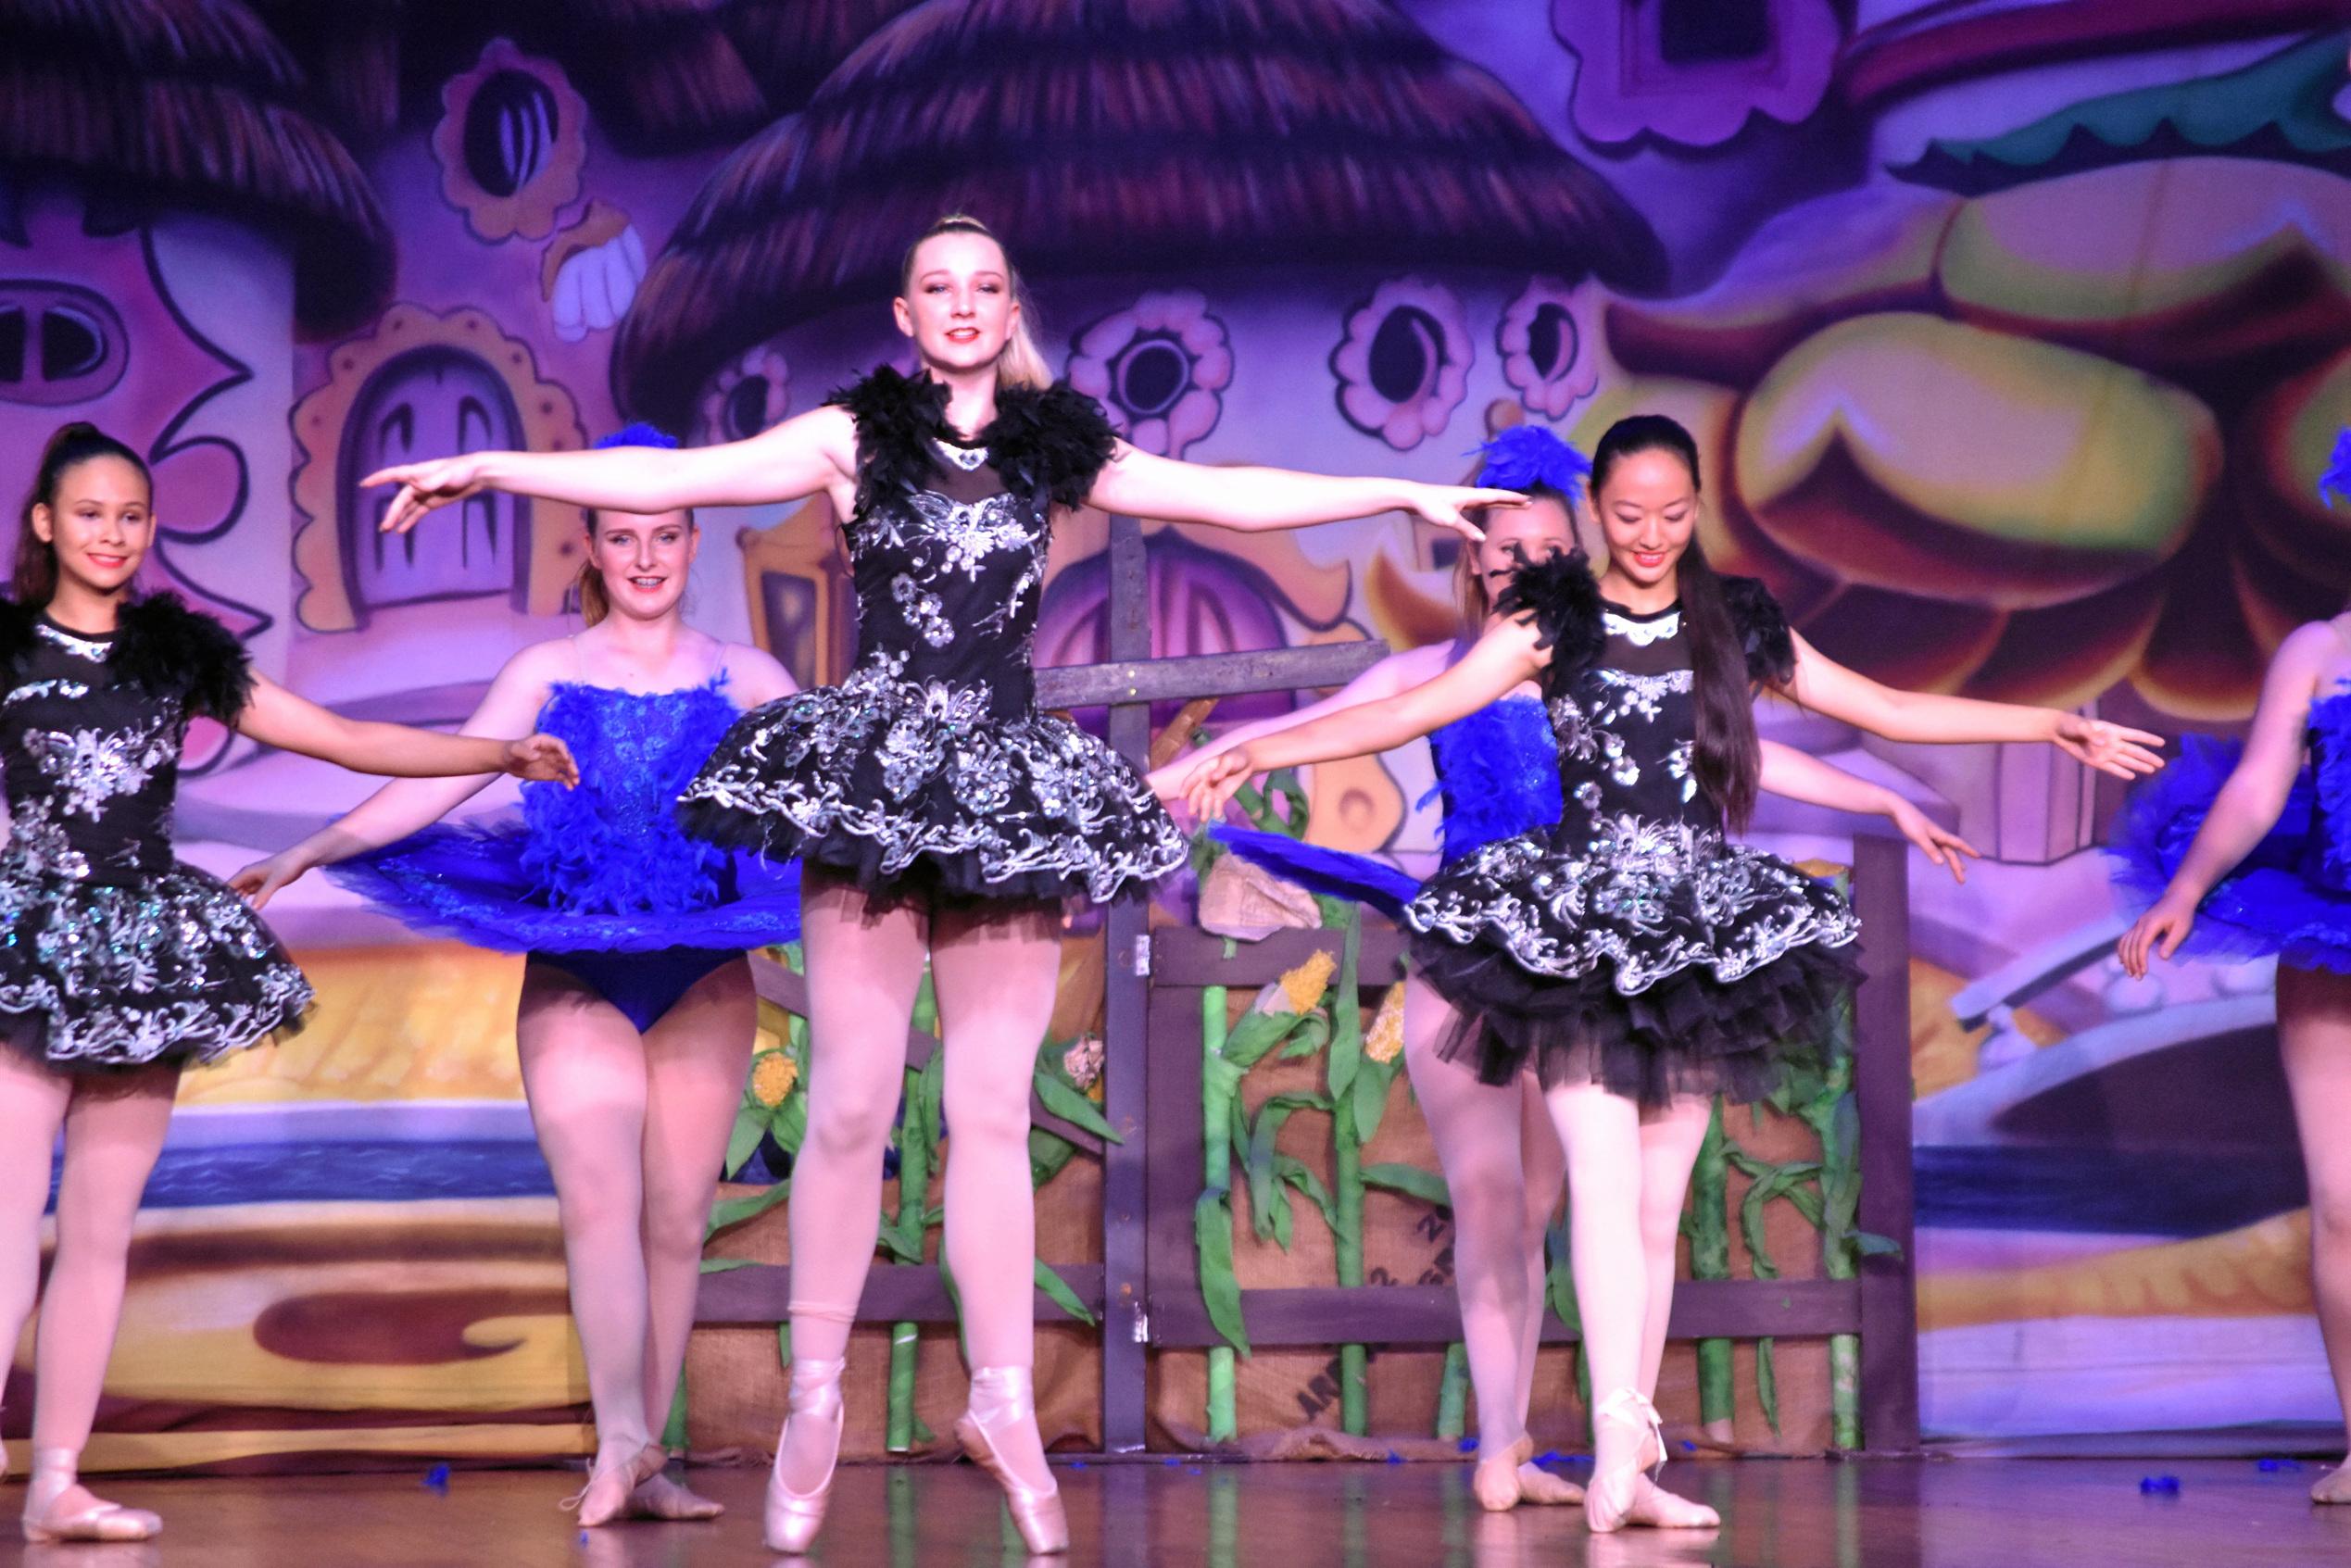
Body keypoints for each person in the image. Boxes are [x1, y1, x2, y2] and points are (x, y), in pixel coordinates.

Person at [356, 213, 1526, 1554]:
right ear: (903, 316)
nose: (961, 305)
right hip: (875, 780)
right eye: (936, 287)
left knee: (985, 1105)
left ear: (1004, 306)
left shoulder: (1053, 446)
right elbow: (690, 468)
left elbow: (1223, 491)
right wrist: (482, 466)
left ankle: (1002, 1401)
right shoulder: (852, 440)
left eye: (983, 286)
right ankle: (811, 1401)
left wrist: (1394, 495)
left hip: (1003, 791)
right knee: (852, 1103)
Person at [1173, 413, 2163, 1531]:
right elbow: (1414, 707)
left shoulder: (1733, 622)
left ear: (1699, 511)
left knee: (1655, 1207)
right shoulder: (1556, 618)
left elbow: (1879, 706)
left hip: (1698, 934)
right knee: (1597, 1181)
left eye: (1674, 515)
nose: (1650, 535)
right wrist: (1257, 747)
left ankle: (1631, 1464)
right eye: (1630, 515)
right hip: (1577, 930)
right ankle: (1609, 1440)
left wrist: (2045, 726)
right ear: (1598, 511)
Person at [0, 423, 575, 1543]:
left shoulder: (180, 656)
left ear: (149, 529)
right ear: (44, 524)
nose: (111, 534)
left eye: (131, 516)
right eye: (89, 514)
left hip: (142, 951)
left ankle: (58, 1481)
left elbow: (342, 736)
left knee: (102, 1230)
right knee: (5, 1215)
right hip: (30, 942)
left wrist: (491, 755)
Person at [233, 425, 799, 1525]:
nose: (645, 558)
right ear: (588, 543)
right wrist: (315, 848)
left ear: (695, 541)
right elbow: (427, 789)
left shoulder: (750, 678)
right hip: (578, 960)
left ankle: (653, 1450)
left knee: (678, 1215)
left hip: (701, 961)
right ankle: (619, 1441)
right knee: (599, 1201)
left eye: (667, 535)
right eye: (623, 536)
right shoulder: (545, 671)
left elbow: (824, 805)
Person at [2114, 570, 2351, 1504]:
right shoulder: (2319, 649)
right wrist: (2184, 889)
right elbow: (2258, 784)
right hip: (2332, 939)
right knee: (2343, 1204)